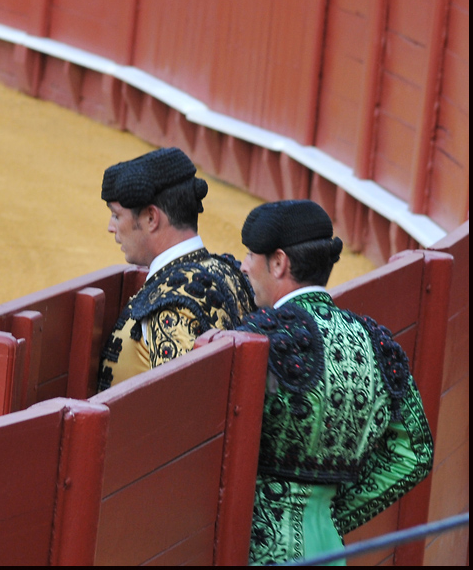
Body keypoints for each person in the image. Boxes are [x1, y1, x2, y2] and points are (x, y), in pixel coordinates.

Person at [234, 199, 434, 565]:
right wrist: (326, 515)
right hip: (328, 549)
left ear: (279, 263)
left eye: (251, 254)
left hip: (259, 549)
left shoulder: (260, 336)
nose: (244, 265)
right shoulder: (374, 340)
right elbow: (415, 453)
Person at [97, 147, 255, 391]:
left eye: (117, 216)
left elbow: (175, 413)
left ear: (151, 218)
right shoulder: (228, 271)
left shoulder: (168, 307)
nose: (111, 227)